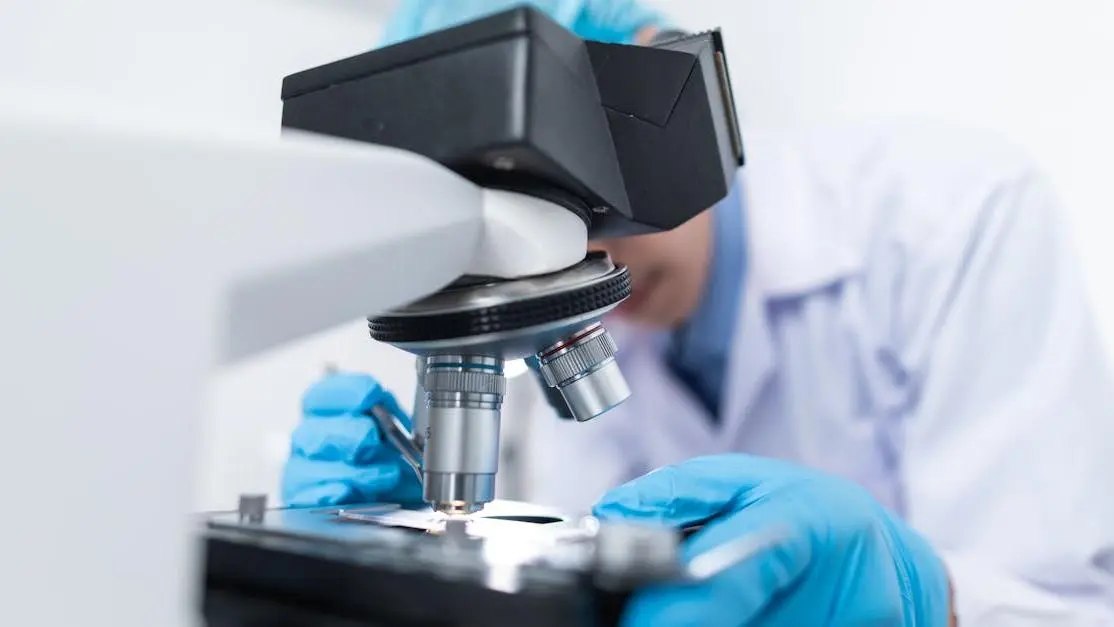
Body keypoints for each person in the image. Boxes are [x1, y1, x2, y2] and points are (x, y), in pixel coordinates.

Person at [282, 1, 1114, 625]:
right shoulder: (584, 325)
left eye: (578, 226)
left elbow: (1065, 603)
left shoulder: (954, 219)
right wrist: (393, 547)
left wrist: (913, 593)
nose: (583, 270)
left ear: (658, 105)